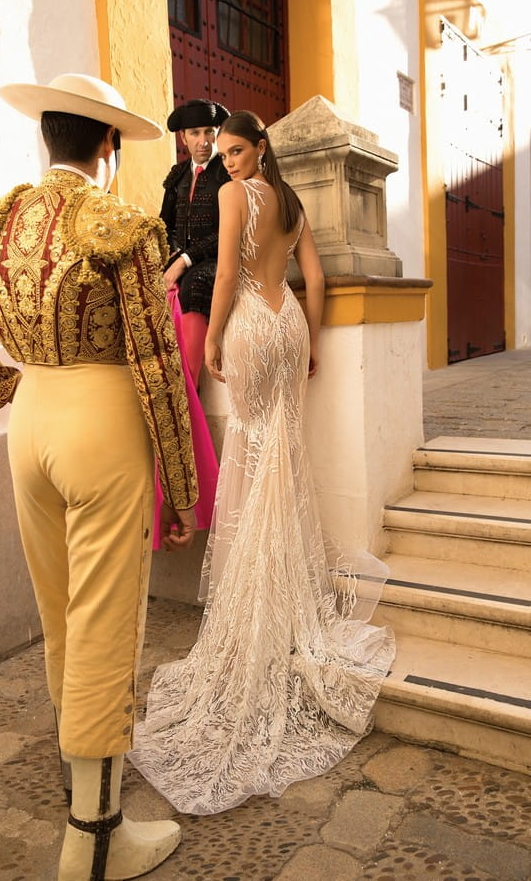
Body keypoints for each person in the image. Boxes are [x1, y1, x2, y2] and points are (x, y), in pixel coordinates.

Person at [0, 74, 198, 879]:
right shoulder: (123, 225)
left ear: (46, 136)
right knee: (106, 623)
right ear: (107, 145)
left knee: (61, 615)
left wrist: (5, 384)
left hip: (33, 421)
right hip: (105, 422)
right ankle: (95, 838)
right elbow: (154, 364)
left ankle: (82, 788)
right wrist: (179, 488)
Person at [129, 111, 396, 815]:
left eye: (237, 150)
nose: (228, 162)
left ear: (261, 146)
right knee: (280, 452)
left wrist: (213, 338)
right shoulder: (295, 202)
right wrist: (310, 342)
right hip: (287, 324)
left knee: (252, 451)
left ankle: (260, 605)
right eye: (222, 153)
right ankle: (289, 597)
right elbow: (316, 279)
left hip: (249, 323)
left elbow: (222, 283)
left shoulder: (230, 196)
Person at [160, 98, 230, 389]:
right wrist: (174, 250)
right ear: (183, 137)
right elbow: (165, 224)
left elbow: (227, 230)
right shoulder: (177, 176)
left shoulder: (226, 172)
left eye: (209, 131)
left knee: (194, 283)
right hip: (183, 258)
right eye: (195, 133)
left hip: (217, 259)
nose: (203, 141)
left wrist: (185, 260)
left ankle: (190, 385)